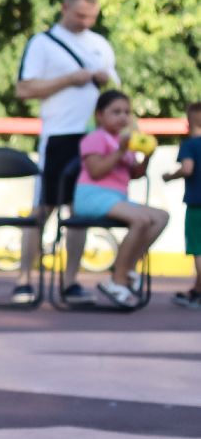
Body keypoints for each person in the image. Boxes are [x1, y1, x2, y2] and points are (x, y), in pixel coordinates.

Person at [14, 0, 117, 306]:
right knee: (44, 206)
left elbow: (115, 91)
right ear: (65, 8)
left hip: (93, 137)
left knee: (80, 211)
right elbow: (23, 89)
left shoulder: (100, 44)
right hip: (60, 134)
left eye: (92, 16)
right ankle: (24, 279)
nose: (86, 21)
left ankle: (71, 281)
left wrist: (103, 80)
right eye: (80, 15)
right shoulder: (43, 43)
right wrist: (68, 79)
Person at [74, 91, 167, 308]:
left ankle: (127, 268)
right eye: (116, 112)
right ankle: (116, 280)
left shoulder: (124, 140)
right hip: (91, 196)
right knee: (141, 220)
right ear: (99, 115)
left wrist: (147, 156)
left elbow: (135, 174)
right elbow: (96, 171)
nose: (123, 117)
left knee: (161, 217)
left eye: (127, 112)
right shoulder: (95, 138)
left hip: (117, 197)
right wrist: (120, 150)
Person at [164, 102, 201, 308]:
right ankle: (196, 290)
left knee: (198, 249)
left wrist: (170, 176)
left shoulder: (190, 145)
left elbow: (187, 169)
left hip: (197, 204)